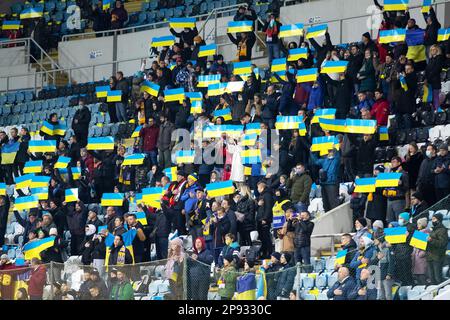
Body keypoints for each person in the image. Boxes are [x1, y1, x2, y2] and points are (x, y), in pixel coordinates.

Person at [311, 148, 341, 212]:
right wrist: (312, 152)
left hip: (332, 183)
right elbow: (315, 161)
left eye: (331, 151)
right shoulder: (324, 160)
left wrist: (335, 147)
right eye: (329, 151)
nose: (330, 152)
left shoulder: (336, 160)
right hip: (324, 183)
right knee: (325, 203)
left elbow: (338, 155)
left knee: (333, 203)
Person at [426, 213, 449, 285]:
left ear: (439, 220)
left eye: (434, 219)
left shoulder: (442, 230)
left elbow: (442, 243)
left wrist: (431, 240)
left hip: (437, 257)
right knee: (431, 278)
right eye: (432, 219)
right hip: (430, 256)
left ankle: (441, 292)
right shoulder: (433, 230)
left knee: (437, 278)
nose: (432, 221)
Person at [256, 181, 274, 259]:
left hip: (264, 220)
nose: (257, 189)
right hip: (260, 219)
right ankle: (264, 252)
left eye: (258, 187)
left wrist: (265, 218)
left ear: (262, 187)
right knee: (262, 237)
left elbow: (268, 208)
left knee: (266, 237)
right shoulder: (261, 195)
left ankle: (269, 252)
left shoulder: (267, 195)